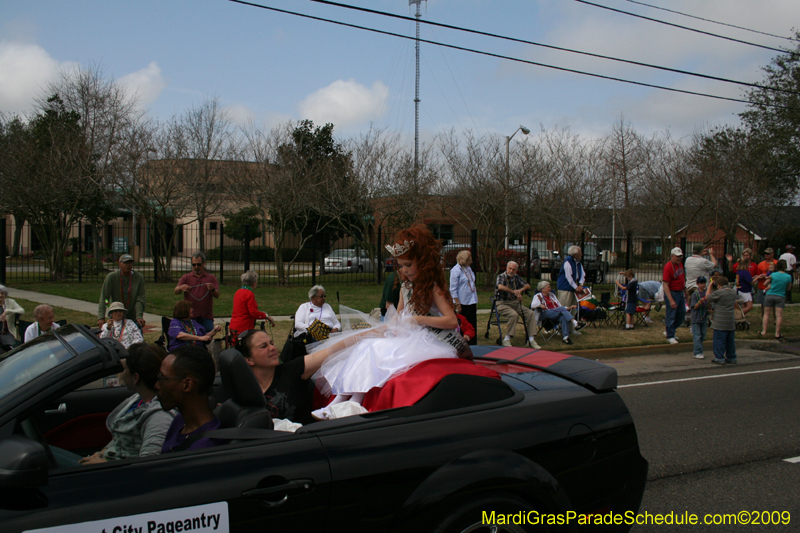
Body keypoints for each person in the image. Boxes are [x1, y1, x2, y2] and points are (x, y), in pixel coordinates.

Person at [310, 224, 473, 419]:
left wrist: (418, 319)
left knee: (378, 351)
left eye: (408, 264)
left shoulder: (433, 288)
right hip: (406, 335)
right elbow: (400, 313)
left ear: (423, 262)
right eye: (401, 266)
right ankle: (342, 400)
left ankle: (355, 401)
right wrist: (396, 322)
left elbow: (450, 320)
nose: (405, 270)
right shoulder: (406, 286)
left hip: (429, 340)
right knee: (366, 347)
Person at [79, 344, 175, 464]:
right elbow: (120, 436)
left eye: (125, 369)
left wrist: (102, 464)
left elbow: (148, 466)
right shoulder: (138, 399)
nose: (123, 373)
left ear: (135, 377)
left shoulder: (159, 417)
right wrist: (101, 453)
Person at [239, 329, 336, 425]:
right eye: (263, 346)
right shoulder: (243, 390)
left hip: (301, 438)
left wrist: (351, 339)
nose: (272, 348)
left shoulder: (292, 370)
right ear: (248, 360)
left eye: (271, 343)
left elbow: (332, 351)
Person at [157, 345, 223, 453]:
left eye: (163, 378)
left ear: (187, 385)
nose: (157, 385)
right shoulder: (180, 420)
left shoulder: (205, 447)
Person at [174, 251, 220, 333]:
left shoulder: (211, 278)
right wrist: (181, 287)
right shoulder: (186, 278)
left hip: (206, 316)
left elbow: (217, 295)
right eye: (194, 265)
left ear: (204, 264)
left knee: (207, 335)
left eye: (199, 264)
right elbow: (176, 291)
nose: (196, 267)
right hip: (190, 316)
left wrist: (212, 289)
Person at [496, 261, 539, 348]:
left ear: (516, 271)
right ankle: (507, 339)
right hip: (502, 303)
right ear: (506, 268)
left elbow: (528, 285)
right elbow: (500, 286)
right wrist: (513, 292)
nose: (511, 271)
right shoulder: (501, 276)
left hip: (515, 303)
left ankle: (531, 339)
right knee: (514, 315)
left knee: (530, 313)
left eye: (514, 269)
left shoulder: (516, 277)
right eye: (510, 269)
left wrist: (520, 290)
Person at [98, 254, 146, 330]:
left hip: (132, 315)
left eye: (130, 263)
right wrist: (101, 316)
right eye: (125, 263)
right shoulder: (111, 277)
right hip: (116, 316)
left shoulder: (138, 277)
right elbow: (105, 298)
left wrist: (139, 316)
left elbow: (140, 298)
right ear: (119, 264)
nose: (128, 265)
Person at [229, 270, 274, 337]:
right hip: (244, 327)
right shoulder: (249, 294)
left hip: (234, 325)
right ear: (254, 283)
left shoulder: (238, 292)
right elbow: (253, 313)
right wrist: (265, 316)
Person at [706, 277, 738, 365]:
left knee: (719, 340)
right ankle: (731, 357)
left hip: (720, 321)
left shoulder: (719, 293)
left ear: (719, 285)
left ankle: (719, 357)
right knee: (730, 340)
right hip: (730, 320)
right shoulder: (733, 292)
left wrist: (709, 286)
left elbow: (708, 297)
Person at [449, 250, 478, 346]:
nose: (472, 261)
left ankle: (473, 342)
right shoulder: (455, 271)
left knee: (472, 323)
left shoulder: (468, 268)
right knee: (464, 323)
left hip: (471, 300)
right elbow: (453, 289)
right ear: (465, 260)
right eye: (470, 259)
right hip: (462, 301)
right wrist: (457, 303)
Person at [760, 259, 792, 340]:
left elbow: (765, 283)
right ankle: (777, 333)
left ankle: (764, 331)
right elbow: (789, 288)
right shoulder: (788, 277)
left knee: (766, 314)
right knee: (779, 315)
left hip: (770, 295)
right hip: (780, 296)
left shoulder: (773, 275)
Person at [662, 247, 688, 345]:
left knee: (682, 313)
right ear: (672, 256)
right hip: (672, 292)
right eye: (677, 257)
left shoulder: (680, 264)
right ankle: (670, 335)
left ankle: (670, 330)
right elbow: (665, 284)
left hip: (680, 292)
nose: (679, 258)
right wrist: (671, 299)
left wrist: (685, 289)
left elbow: (682, 278)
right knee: (671, 314)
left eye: (680, 256)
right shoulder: (668, 267)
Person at [556, 245, 587, 312]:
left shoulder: (578, 262)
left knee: (573, 308)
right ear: (575, 255)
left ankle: (572, 321)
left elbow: (582, 274)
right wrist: (576, 287)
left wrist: (581, 284)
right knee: (565, 307)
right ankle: (563, 322)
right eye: (580, 253)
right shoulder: (567, 262)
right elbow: (569, 277)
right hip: (565, 287)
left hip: (574, 286)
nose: (581, 254)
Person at [689, 277, 710, 360]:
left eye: (704, 283)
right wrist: (700, 301)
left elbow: (709, 305)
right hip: (696, 317)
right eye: (701, 283)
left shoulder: (706, 293)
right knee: (697, 335)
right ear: (697, 284)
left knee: (703, 335)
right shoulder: (695, 294)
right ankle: (697, 352)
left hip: (704, 317)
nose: (703, 285)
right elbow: (695, 307)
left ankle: (699, 349)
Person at [0, 285, 24, 351]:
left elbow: (22, 311)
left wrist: (8, 312)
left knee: (14, 349)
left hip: (7, 333)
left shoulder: (10, 302)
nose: (0, 295)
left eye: (2, 293)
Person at [756, 248, 778, 317]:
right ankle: (763, 318)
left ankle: (775, 319)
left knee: (774, 304)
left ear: (772, 254)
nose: (766, 255)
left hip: (773, 287)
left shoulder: (777, 263)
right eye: (765, 253)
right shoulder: (761, 264)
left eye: (768, 253)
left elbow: (779, 274)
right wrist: (760, 276)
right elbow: (757, 274)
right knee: (763, 304)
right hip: (762, 286)